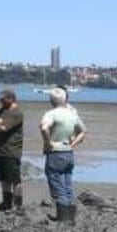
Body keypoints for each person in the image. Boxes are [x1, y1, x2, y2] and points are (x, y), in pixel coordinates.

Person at [40, 87, 87, 222]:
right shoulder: (72, 113)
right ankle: (70, 217)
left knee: (58, 185)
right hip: (68, 153)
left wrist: (48, 142)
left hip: (56, 153)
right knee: (67, 185)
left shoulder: (51, 114)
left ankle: (63, 218)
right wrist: (73, 144)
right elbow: (83, 131)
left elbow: (44, 127)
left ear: (51, 100)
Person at [0, 87, 25, 211]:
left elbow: (3, 129)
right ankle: (6, 202)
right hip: (0, 150)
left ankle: (17, 204)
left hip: (12, 150)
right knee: (3, 178)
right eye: (0, 100)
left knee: (14, 179)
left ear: (11, 99)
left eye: (3, 100)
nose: (0, 102)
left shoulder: (17, 112)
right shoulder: (3, 110)